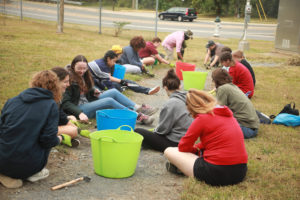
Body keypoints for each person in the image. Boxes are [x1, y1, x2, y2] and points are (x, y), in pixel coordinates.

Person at [164, 89, 248, 186]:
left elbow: (183, 147)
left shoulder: (202, 118)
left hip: (216, 173)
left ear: (191, 108)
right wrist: (198, 147)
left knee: (169, 150)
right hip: (240, 172)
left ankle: (182, 168)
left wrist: (195, 149)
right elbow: (214, 140)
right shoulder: (228, 115)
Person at [0, 70, 63, 188]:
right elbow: (48, 140)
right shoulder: (50, 105)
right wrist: (60, 139)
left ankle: (7, 171)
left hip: (2, 157)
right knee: (44, 142)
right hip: (26, 164)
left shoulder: (12, 100)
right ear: (55, 87)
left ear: (33, 83)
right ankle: (29, 172)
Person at [62, 55, 157, 125]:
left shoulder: (84, 75)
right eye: (79, 68)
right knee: (109, 101)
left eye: (84, 68)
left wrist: (93, 90)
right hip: (79, 108)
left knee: (114, 92)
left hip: (89, 101)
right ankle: (137, 116)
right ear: (73, 66)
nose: (82, 71)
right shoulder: (68, 79)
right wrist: (79, 113)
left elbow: (87, 88)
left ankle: (137, 108)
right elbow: (65, 103)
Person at [135, 69, 193, 152]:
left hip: (176, 143)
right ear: (180, 86)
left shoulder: (170, 104)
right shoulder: (188, 97)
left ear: (165, 88)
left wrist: (155, 131)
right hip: (189, 140)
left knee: (138, 131)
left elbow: (162, 130)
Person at [212, 68, 259, 139]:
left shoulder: (223, 89)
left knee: (214, 128)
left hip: (246, 129)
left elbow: (218, 111)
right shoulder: (232, 86)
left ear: (216, 80)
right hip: (253, 127)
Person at [88, 50, 160, 95]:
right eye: (113, 61)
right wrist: (122, 82)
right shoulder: (102, 65)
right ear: (108, 58)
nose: (114, 63)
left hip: (96, 82)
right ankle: (145, 90)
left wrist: (122, 82)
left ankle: (147, 90)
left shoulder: (103, 62)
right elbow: (108, 80)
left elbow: (108, 77)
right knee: (121, 84)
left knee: (125, 83)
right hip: (93, 85)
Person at [51, 67, 80, 147]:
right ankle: (61, 138)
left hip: (51, 124)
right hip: (43, 129)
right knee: (73, 131)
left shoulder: (55, 94)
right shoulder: (50, 98)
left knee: (72, 118)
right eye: (65, 82)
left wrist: (68, 121)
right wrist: (75, 129)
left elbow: (59, 114)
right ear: (56, 82)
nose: (68, 85)